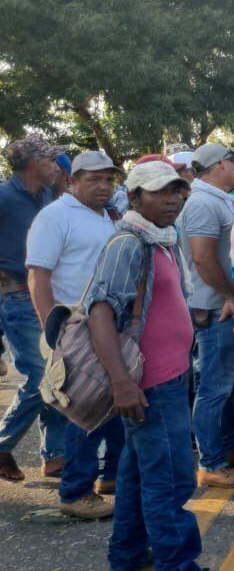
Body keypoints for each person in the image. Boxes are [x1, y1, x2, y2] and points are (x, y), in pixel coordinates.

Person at [85, 161, 201, 570]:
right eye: (159, 192)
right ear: (135, 198)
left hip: (170, 377)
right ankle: (177, 563)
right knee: (171, 479)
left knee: (138, 476)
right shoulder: (129, 243)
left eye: (175, 191)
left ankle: (128, 555)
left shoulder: (161, 238)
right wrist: (121, 382)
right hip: (149, 384)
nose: (172, 200)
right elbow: (100, 312)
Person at [26, 151, 125, 518]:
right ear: (73, 181)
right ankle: (75, 492)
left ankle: (111, 476)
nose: (103, 186)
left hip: (109, 325)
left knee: (115, 402)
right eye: (94, 179)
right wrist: (53, 331)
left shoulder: (108, 215)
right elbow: (38, 276)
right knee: (86, 408)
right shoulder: (55, 216)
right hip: (75, 328)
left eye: (108, 179)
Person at [178, 143, 234, 490]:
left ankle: (228, 448)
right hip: (213, 306)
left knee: (226, 384)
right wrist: (230, 295)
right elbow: (203, 258)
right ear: (220, 164)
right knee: (214, 386)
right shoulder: (202, 203)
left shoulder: (218, 199)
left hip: (221, 303)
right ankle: (211, 462)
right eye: (233, 163)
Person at [0, 133, 67, 483]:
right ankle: (2, 444)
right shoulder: (3, 196)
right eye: (50, 160)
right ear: (32, 163)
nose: (56, 166)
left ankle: (54, 457)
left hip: (45, 295)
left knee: (57, 373)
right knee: (41, 376)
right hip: (16, 297)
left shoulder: (46, 196)